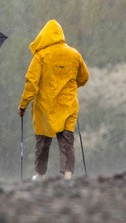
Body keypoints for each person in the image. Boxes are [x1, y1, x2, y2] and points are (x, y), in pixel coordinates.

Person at [17, 20, 89, 181]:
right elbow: (84, 77)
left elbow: (31, 83)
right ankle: (68, 175)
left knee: (42, 144)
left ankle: (41, 175)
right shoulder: (74, 54)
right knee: (67, 143)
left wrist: (23, 105)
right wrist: (70, 85)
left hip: (45, 107)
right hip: (67, 105)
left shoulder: (40, 56)